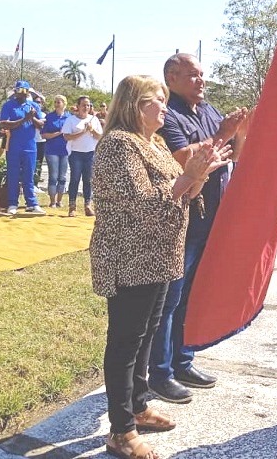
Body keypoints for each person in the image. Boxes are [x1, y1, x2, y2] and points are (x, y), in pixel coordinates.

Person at [90, 75, 231, 459]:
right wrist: (190, 175)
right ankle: (120, 431)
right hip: (131, 256)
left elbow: (183, 191)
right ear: (136, 105)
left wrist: (199, 174)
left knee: (146, 335)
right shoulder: (120, 144)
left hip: (161, 255)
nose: (165, 108)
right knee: (125, 342)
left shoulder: (153, 143)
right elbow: (145, 204)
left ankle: (137, 405)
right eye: (158, 100)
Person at [148, 53, 248, 403]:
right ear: (172, 78)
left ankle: (182, 359)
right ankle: (159, 372)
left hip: (212, 216)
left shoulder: (208, 110)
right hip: (182, 217)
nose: (201, 81)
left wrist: (241, 131)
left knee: (192, 293)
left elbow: (234, 153)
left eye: (202, 75)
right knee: (170, 297)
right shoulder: (165, 114)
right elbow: (180, 158)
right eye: (193, 76)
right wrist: (223, 133)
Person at [0, 80, 46, 215]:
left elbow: (40, 125)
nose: (22, 94)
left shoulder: (33, 106)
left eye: (24, 91)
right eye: (19, 91)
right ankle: (12, 203)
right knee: (13, 175)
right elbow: (4, 124)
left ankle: (32, 203)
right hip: (14, 146)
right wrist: (24, 120)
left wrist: (32, 118)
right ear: (15, 91)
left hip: (30, 146)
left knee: (29, 176)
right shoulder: (8, 106)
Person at [62, 96, 103, 217]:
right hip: (76, 154)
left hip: (90, 153)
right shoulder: (71, 120)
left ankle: (87, 205)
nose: (86, 107)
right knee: (75, 179)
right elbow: (67, 137)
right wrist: (83, 131)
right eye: (84, 105)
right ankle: (72, 206)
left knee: (88, 180)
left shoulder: (94, 119)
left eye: (88, 105)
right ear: (78, 106)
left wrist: (91, 131)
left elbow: (99, 136)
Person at [41, 95, 70, 208]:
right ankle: (52, 201)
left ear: (64, 104)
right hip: (52, 150)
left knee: (62, 177)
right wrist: (58, 133)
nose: (57, 104)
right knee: (53, 175)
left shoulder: (69, 117)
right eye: (56, 102)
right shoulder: (49, 117)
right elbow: (44, 134)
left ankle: (60, 200)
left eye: (59, 102)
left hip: (65, 150)